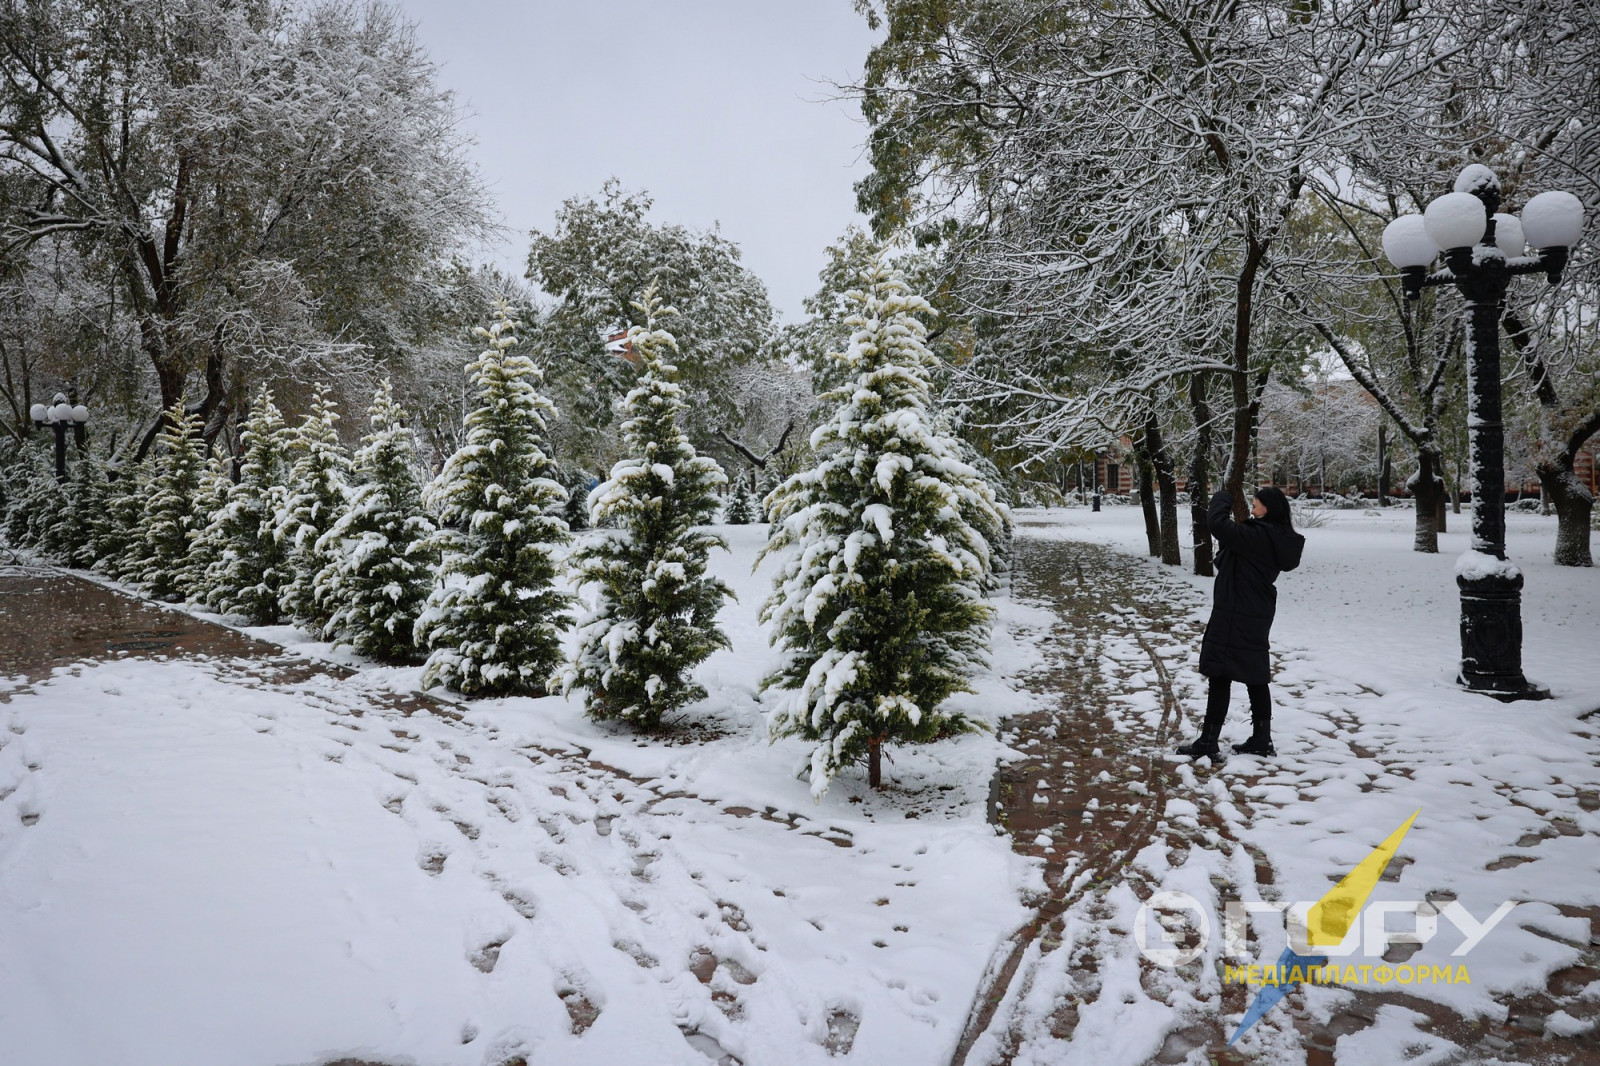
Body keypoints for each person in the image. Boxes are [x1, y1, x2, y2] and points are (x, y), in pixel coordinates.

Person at [1178, 486, 1305, 759]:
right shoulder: (1275, 536)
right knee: (1255, 675)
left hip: (1236, 610)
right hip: (1257, 610)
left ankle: (1209, 741)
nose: (1252, 508)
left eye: (1256, 504)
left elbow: (1217, 524)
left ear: (1267, 509)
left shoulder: (1257, 535)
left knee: (1220, 673)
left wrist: (1223, 495)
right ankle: (1261, 738)